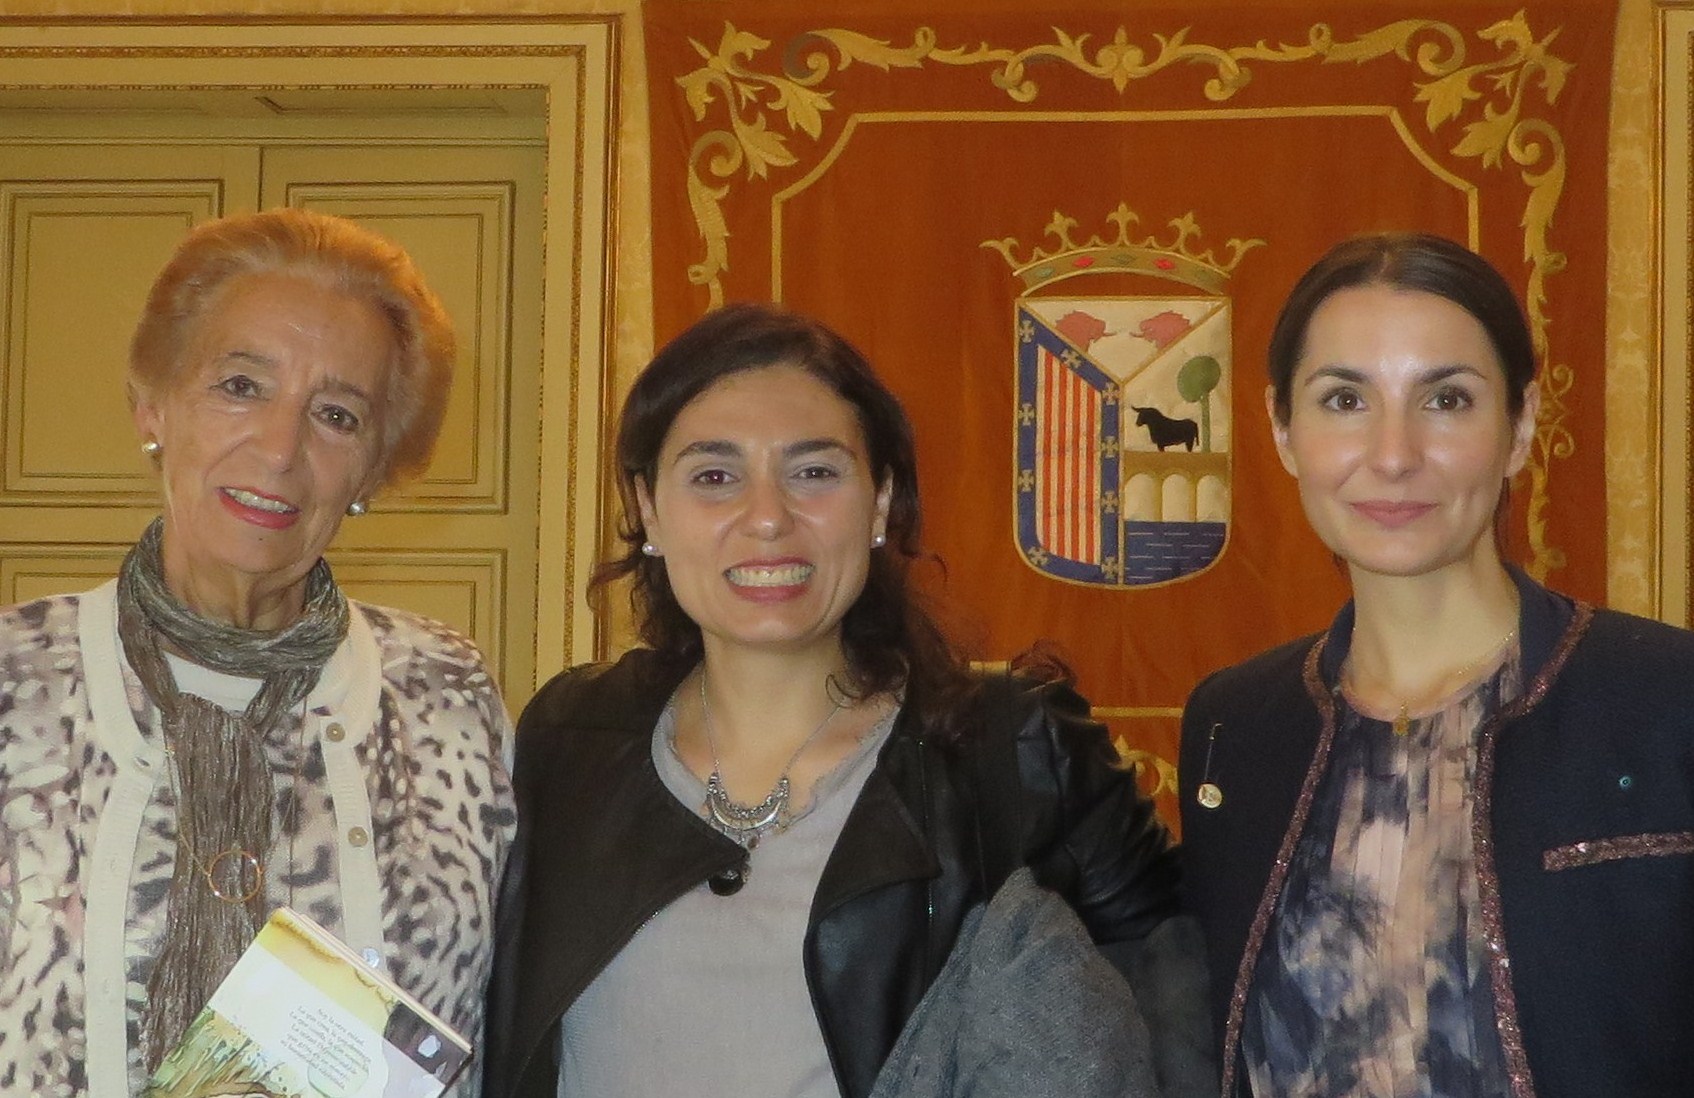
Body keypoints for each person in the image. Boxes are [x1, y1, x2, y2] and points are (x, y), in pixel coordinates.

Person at [485, 303, 1208, 1098]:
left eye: (814, 472)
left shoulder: (1016, 753)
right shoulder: (570, 741)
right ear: (649, 510)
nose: (767, 518)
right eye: (714, 476)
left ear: (881, 500)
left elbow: (1181, 1019)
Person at [0, 208, 517, 1098]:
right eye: (241, 386)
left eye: (337, 415)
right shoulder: (17, 681)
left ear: (374, 469)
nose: (280, 450)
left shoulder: (445, 694)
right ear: (151, 402)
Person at [1179, 232, 1694, 1097]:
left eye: (1446, 399)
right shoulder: (1235, 725)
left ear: (1520, 427)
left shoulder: (1665, 699)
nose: (1393, 454)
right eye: (1344, 399)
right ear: (1281, 430)